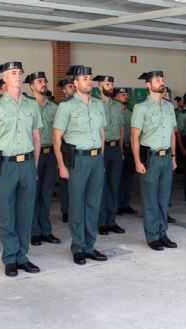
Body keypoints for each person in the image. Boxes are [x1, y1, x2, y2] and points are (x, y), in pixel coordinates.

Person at [0, 61, 43, 277]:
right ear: (4, 79)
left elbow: (36, 137)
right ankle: (9, 258)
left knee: (25, 213)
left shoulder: (31, 104)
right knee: (7, 214)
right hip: (5, 165)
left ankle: (22, 256)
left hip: (26, 163)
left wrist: (34, 166)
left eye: (19, 72)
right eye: (13, 73)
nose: (18, 76)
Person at [53, 65, 108, 265]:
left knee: (93, 204)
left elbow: (102, 132)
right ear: (75, 83)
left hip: (95, 159)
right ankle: (78, 247)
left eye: (90, 78)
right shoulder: (66, 106)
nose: (89, 81)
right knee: (77, 204)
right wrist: (61, 165)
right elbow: (57, 137)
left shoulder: (98, 104)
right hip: (77, 160)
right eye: (85, 79)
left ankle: (90, 246)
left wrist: (100, 156)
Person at [131, 70, 178, 250]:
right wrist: (137, 161)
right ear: (148, 85)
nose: (161, 82)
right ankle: (152, 236)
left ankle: (162, 233)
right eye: (157, 80)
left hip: (166, 157)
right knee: (150, 199)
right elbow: (135, 136)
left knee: (163, 198)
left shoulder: (168, 107)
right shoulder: (140, 107)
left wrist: (173, 156)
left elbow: (172, 134)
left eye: (162, 79)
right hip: (149, 158)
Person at [24, 71, 62, 246]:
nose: (44, 84)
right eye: (40, 81)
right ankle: (34, 231)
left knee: (46, 195)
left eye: (45, 81)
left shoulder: (54, 108)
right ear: (32, 86)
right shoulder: (26, 106)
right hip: (32, 155)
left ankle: (46, 230)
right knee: (32, 194)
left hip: (50, 155)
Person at [93, 75, 126, 236]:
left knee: (114, 185)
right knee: (102, 186)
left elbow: (121, 128)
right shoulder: (94, 104)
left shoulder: (117, 106)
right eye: (107, 84)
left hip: (115, 149)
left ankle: (112, 220)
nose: (110, 86)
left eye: (111, 83)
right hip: (102, 149)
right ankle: (102, 221)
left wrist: (121, 149)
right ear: (100, 87)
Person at [56, 78, 76, 224]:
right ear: (64, 90)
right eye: (70, 87)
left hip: (75, 148)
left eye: (73, 86)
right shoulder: (60, 106)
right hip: (63, 148)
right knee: (64, 182)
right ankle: (66, 210)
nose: (73, 89)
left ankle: (74, 209)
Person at [116, 87, 138, 215]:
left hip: (130, 148)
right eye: (122, 94)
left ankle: (125, 203)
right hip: (117, 149)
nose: (125, 96)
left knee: (128, 178)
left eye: (126, 94)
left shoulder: (131, 113)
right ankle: (117, 204)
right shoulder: (114, 112)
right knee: (117, 178)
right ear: (116, 97)